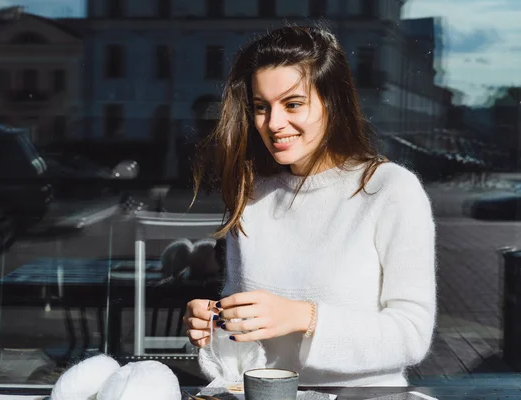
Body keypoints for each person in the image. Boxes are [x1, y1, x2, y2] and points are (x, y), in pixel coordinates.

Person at [183, 25, 436, 387]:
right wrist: (216, 328)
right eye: (260, 107)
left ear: (333, 102)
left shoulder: (390, 190)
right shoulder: (254, 194)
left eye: (293, 104)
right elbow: (243, 358)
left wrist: (305, 317)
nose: (273, 123)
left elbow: (412, 336)